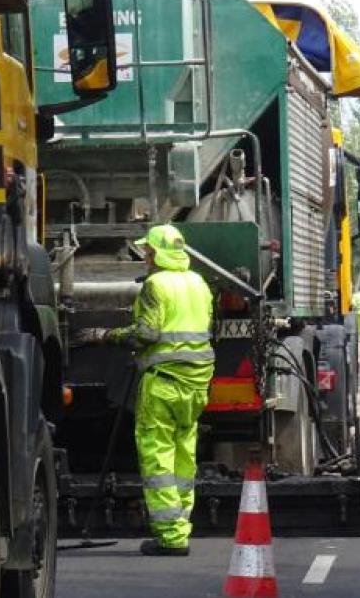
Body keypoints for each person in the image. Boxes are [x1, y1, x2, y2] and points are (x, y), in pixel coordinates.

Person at [89, 223, 215, 556]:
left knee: (158, 458)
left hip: (163, 382)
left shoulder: (155, 286)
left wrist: (109, 336)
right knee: (184, 455)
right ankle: (181, 525)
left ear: (157, 253)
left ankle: (171, 537)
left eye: (148, 250)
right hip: (197, 383)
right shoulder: (199, 284)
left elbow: (147, 333)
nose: (145, 255)